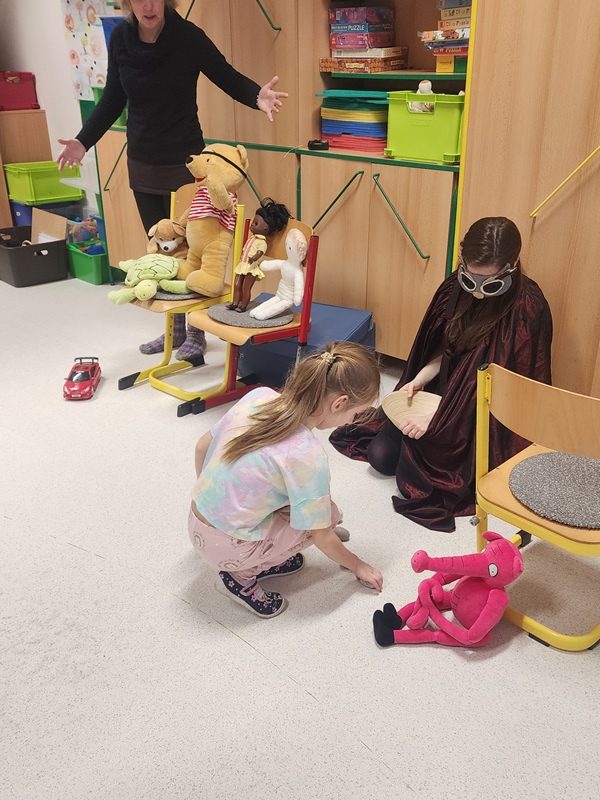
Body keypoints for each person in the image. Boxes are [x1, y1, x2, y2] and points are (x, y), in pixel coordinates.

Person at [57, 0, 287, 361]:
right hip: (143, 161)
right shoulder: (120, 39)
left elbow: (225, 75)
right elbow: (114, 98)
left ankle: (195, 330)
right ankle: (175, 329)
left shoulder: (187, 36)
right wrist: (83, 141)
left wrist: (256, 95)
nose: (148, 5)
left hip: (186, 163)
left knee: (194, 248)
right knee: (163, 248)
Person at [330, 217, 553, 533]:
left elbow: (508, 388)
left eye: (488, 283)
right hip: (442, 393)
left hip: (479, 416)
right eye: (470, 278)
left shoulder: (527, 308)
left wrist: (438, 418)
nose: (477, 292)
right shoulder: (454, 287)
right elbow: (445, 350)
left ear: (512, 265)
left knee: (415, 480)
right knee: (380, 457)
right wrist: (419, 378)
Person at [188, 341, 384, 618]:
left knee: (305, 509)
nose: (350, 422)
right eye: (354, 414)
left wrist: (215, 501)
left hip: (196, 518)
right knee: (327, 517)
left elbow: (201, 447)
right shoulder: (308, 456)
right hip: (226, 550)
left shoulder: (259, 396)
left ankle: (259, 556)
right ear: (339, 403)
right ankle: (241, 577)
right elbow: (321, 536)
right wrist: (358, 565)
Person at [226, 198, 291, 313]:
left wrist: (254, 257)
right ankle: (235, 302)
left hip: (252, 267)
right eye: (253, 223)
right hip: (243, 265)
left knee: (246, 287)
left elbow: (260, 252)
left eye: (256, 223)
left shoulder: (262, 242)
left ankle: (243, 305)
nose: (252, 225)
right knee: (237, 284)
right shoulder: (252, 238)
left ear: (266, 228)